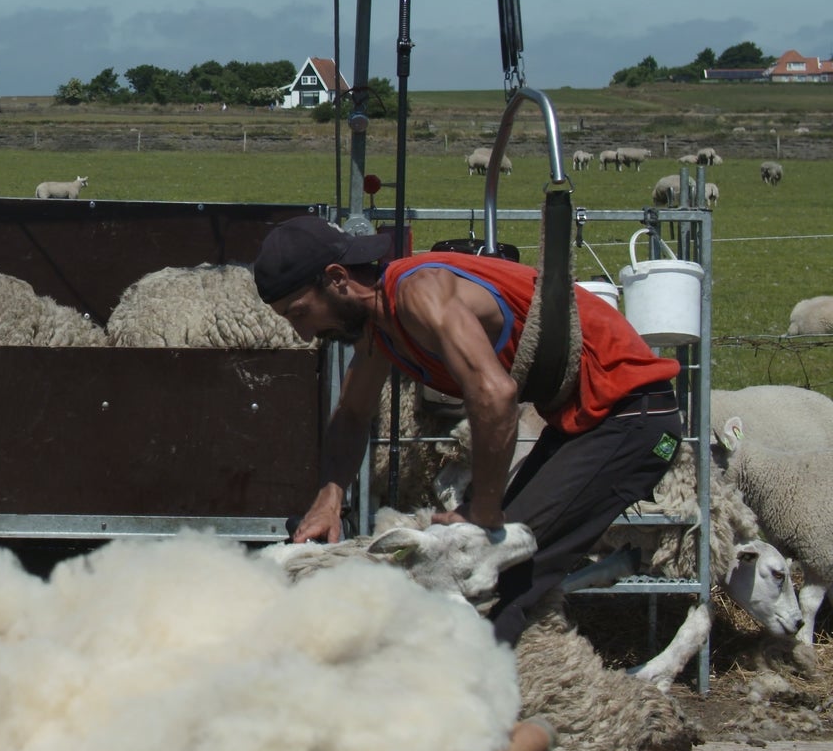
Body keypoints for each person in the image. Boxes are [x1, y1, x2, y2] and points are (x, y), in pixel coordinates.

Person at [252, 215, 682, 645]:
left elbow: (495, 395)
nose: (304, 334)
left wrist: (483, 514)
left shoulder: (419, 292)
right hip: (588, 421)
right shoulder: (379, 329)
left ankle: (483, 700)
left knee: (492, 572)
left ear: (337, 278)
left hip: (632, 417)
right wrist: (330, 498)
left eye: (300, 313)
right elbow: (351, 414)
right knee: (493, 571)